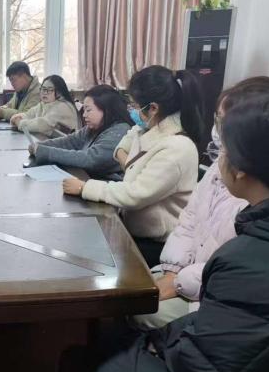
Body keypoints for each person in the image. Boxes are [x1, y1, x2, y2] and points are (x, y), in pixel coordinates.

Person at [84, 89, 269, 372]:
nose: (217, 151)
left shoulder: (253, 252)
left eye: (225, 145)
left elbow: (209, 370)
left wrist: (161, 343)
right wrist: (172, 273)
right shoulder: (258, 222)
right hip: (213, 332)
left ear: (243, 165)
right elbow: (189, 222)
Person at [133, 76, 269, 329]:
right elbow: (189, 219)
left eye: (223, 121)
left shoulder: (258, 194)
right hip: (187, 272)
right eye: (217, 119)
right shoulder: (220, 167)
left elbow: (233, 268)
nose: (217, 130)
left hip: (208, 293)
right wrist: (173, 270)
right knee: (129, 290)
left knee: (140, 310)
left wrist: (179, 281)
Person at [63, 66, 202, 267]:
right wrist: (134, 169)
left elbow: (135, 195)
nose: (132, 111)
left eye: (135, 105)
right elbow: (120, 148)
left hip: (158, 245)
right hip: (134, 227)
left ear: (153, 108)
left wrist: (86, 187)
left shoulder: (177, 147)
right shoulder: (145, 128)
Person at [31, 84, 133, 181]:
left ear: (106, 110)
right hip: (89, 180)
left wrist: (45, 152)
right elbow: (69, 141)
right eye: (84, 110)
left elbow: (90, 159)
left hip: (107, 186)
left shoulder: (120, 130)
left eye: (88, 110)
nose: (84, 115)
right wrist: (40, 145)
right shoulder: (95, 126)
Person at [10, 74, 80, 135]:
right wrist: (17, 117)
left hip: (66, 145)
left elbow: (42, 125)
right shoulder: (43, 104)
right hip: (51, 141)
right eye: (43, 89)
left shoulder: (63, 106)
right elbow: (29, 114)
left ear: (59, 92)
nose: (45, 93)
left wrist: (20, 123)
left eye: (49, 90)